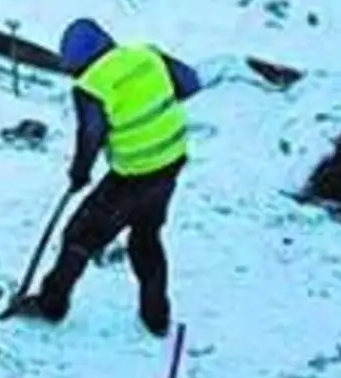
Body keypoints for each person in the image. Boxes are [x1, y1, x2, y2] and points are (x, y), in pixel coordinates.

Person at [14, 18, 203, 336]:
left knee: (79, 237)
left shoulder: (92, 85)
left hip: (133, 175)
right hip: (170, 162)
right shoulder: (145, 55)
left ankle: (51, 305)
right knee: (146, 236)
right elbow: (190, 83)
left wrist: (80, 173)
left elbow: (91, 134)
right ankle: (156, 317)